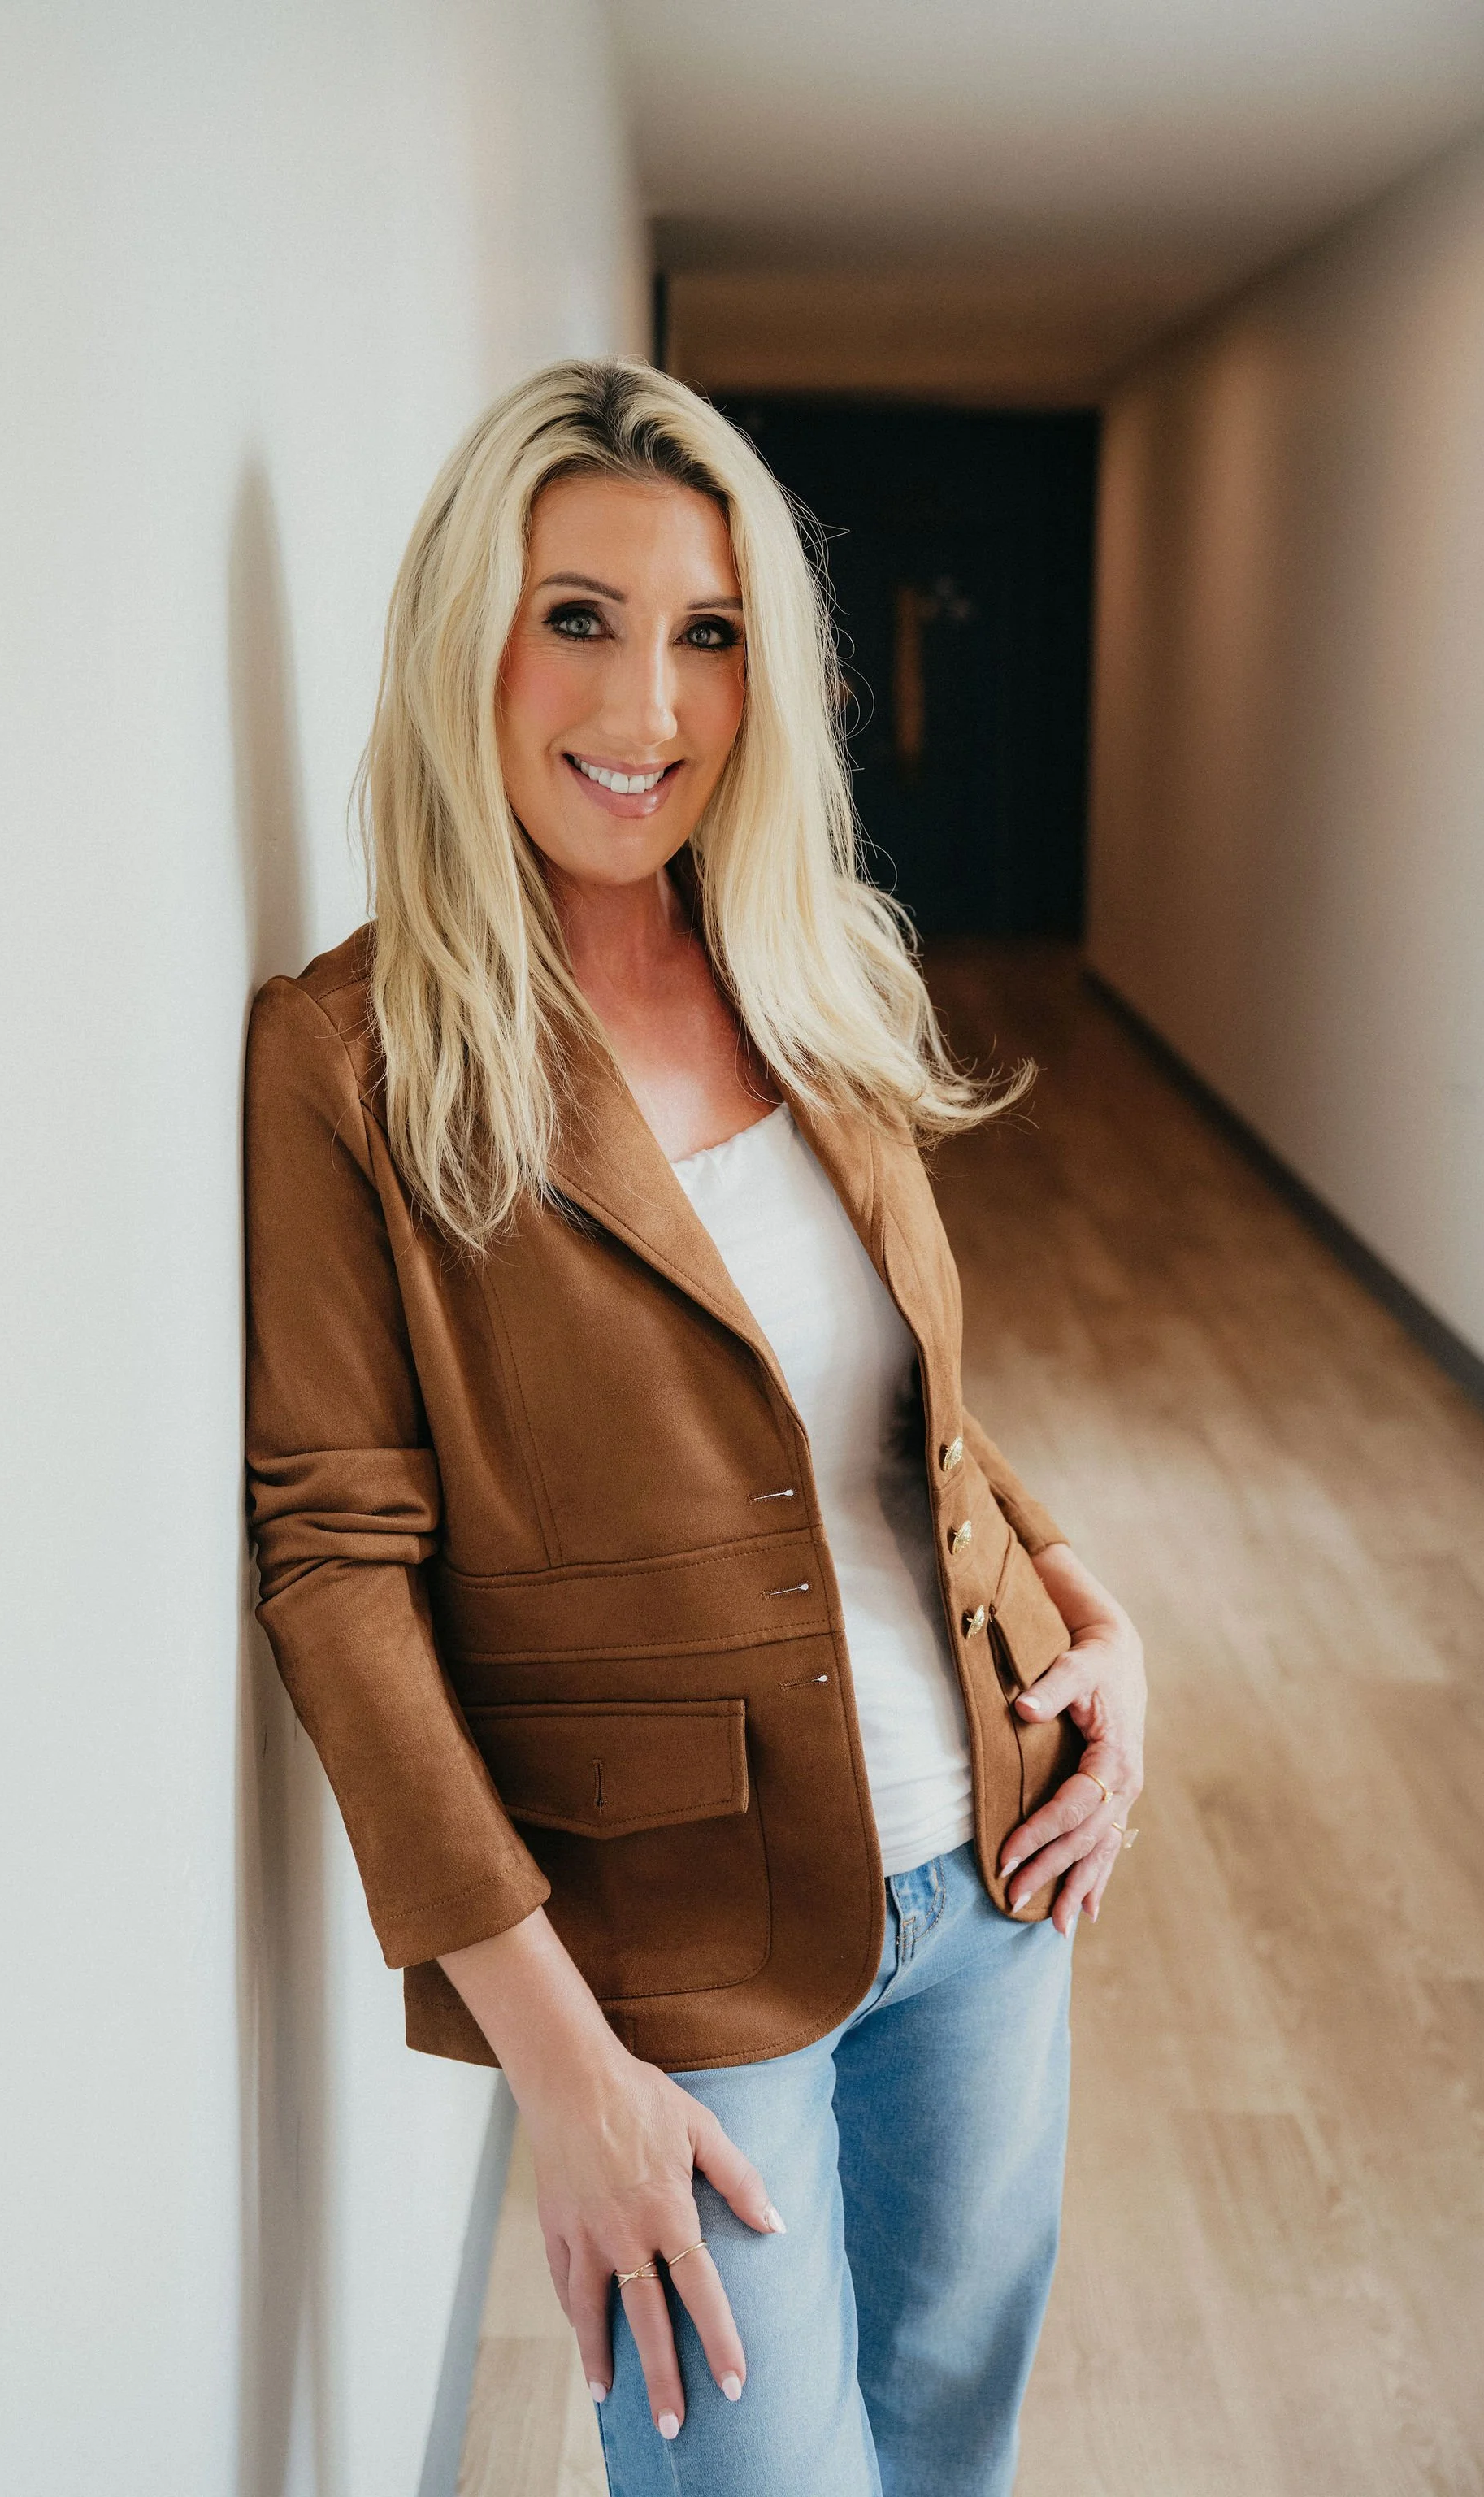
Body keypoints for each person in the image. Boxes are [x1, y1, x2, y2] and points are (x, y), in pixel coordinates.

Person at [244, 358, 1146, 2496]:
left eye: (710, 631)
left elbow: (894, 1409)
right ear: (467, 632)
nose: (647, 703)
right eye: (580, 616)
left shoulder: (802, 971)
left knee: (949, 2440)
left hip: (993, 1863)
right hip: (668, 1943)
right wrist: (562, 2072)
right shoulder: (351, 1058)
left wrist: (1093, 1617)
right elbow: (337, 1574)